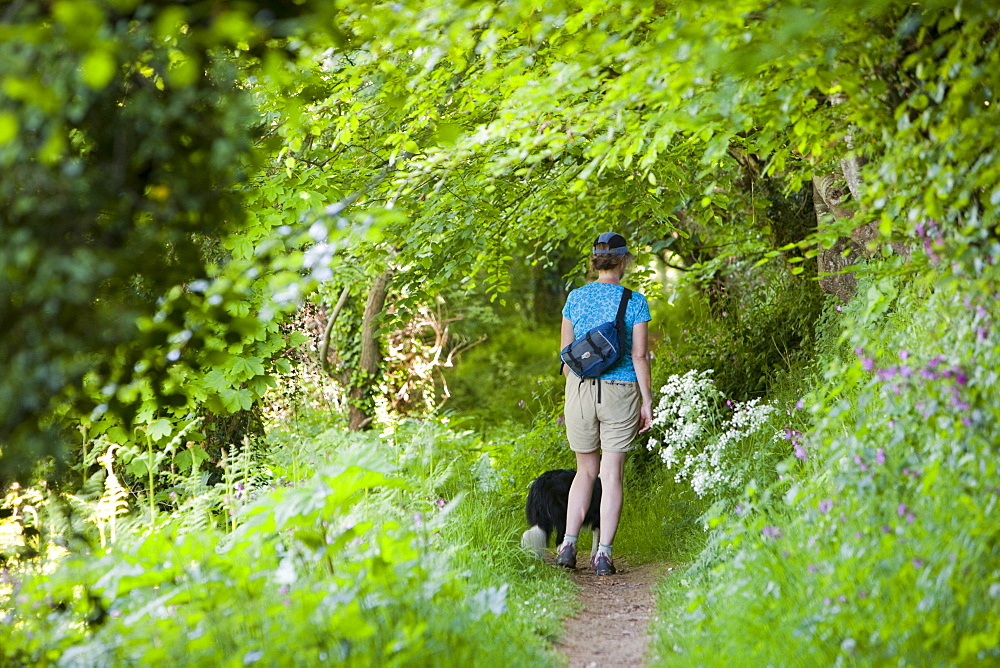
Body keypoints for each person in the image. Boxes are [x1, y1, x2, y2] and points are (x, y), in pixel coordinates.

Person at [555, 232, 653, 576]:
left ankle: (568, 546)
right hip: (621, 391)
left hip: (580, 390)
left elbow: (566, 358)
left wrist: (572, 394)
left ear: (595, 262)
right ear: (623, 260)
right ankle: (603, 556)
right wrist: (647, 401)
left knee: (584, 472)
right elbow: (639, 355)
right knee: (611, 475)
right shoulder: (635, 301)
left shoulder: (575, 298)